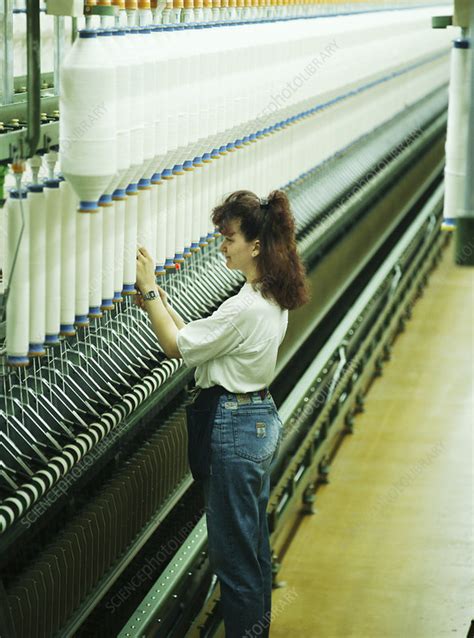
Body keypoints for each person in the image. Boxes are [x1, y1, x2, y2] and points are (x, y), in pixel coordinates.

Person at [136, 189, 309, 637]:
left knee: (234, 564)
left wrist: (150, 288)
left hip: (232, 428)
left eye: (228, 238)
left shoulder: (244, 308)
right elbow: (200, 336)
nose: (222, 246)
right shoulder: (267, 295)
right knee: (250, 551)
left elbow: (177, 346)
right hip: (256, 420)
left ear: (254, 245)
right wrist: (159, 304)